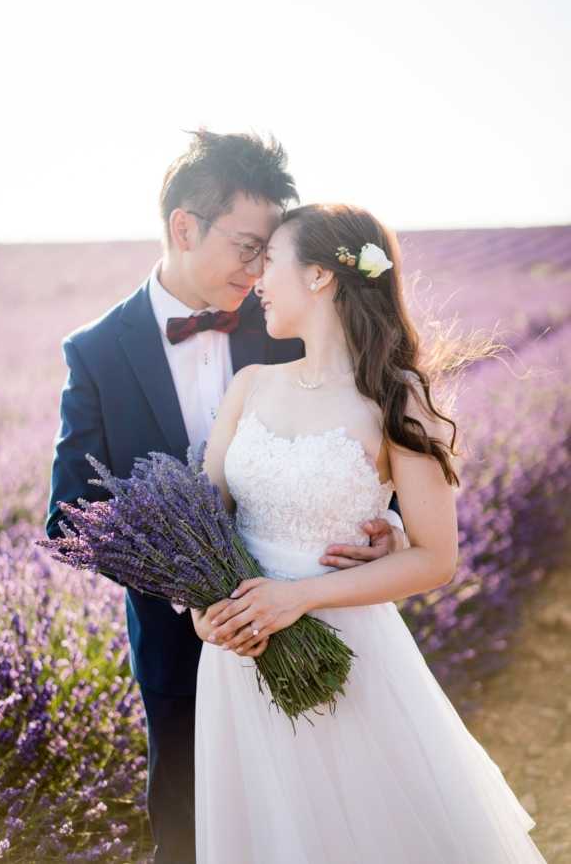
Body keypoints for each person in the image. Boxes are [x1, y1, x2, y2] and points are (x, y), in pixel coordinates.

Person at [45, 132, 406, 864]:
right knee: (193, 835)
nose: (260, 266)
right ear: (185, 227)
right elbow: (69, 514)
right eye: (247, 245)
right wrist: (194, 588)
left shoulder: (284, 320)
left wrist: (387, 522)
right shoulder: (96, 351)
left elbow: (357, 430)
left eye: (269, 249)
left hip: (321, 618)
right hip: (182, 650)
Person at [191, 203, 547, 864]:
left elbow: (437, 558)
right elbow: (200, 523)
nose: (258, 279)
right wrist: (202, 615)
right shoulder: (248, 387)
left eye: (270, 261)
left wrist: (298, 597)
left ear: (321, 275)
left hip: (345, 655)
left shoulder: (393, 395)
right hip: (238, 659)